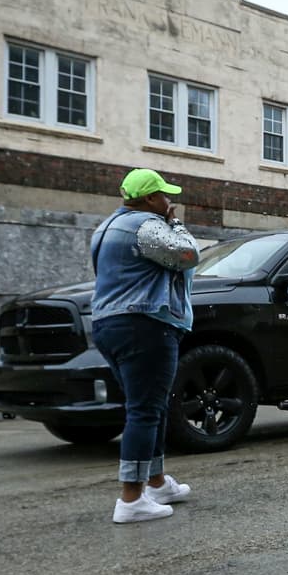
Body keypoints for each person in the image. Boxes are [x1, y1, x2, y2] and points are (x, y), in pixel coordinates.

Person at [91, 168, 201, 523]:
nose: (170, 202)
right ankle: (131, 498)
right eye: (165, 196)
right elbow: (188, 255)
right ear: (150, 199)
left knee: (148, 407)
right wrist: (178, 225)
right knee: (143, 411)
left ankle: (156, 482)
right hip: (145, 325)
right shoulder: (146, 225)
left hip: (110, 324)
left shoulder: (105, 227)